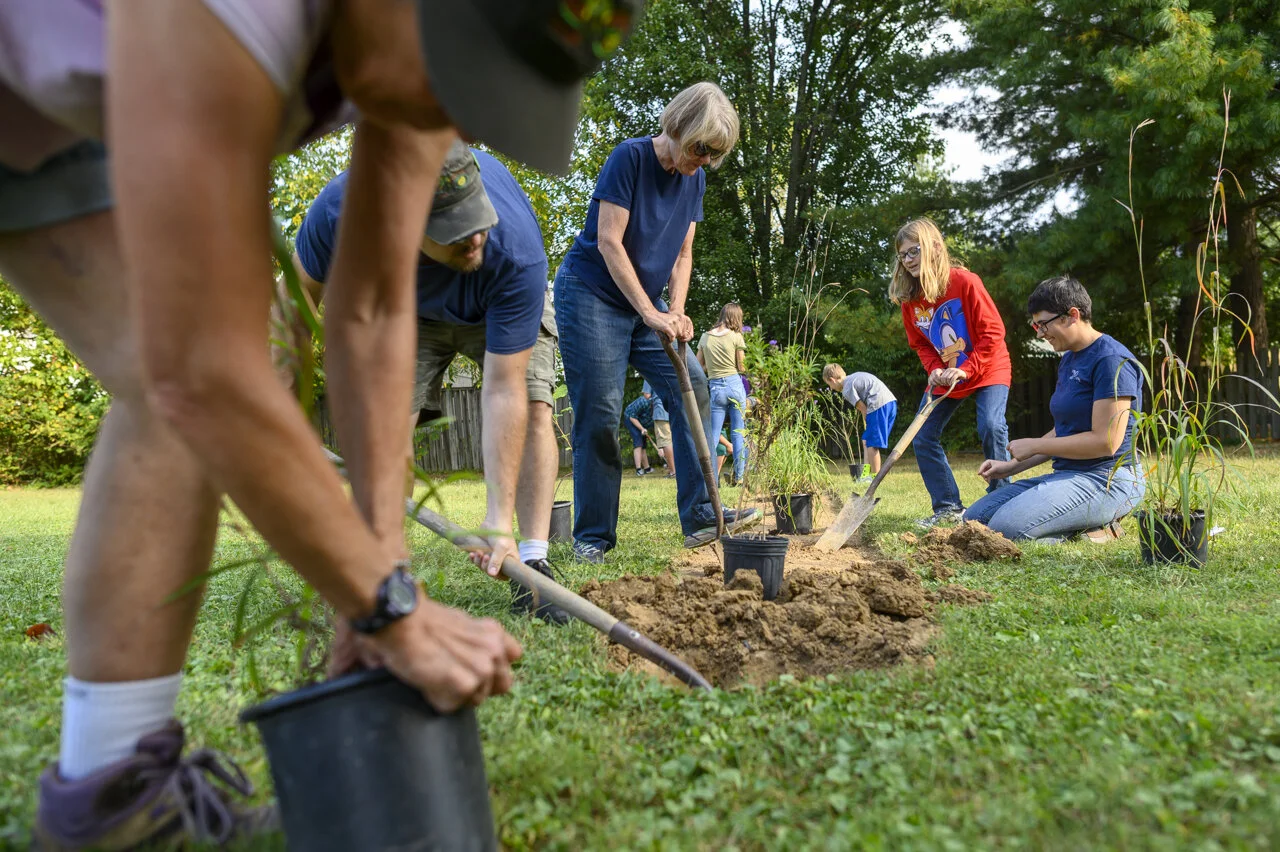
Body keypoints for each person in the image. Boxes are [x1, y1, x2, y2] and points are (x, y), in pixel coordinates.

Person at [0, 0, 634, 846]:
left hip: (70, 91)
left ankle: (112, 796)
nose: (460, 120)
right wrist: (389, 609)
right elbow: (205, 368)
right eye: (464, 75)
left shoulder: (416, 77)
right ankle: (112, 792)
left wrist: (380, 563)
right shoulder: (233, 14)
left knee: (172, 380)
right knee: (194, 364)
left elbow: (371, 311)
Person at [287, 141, 568, 625]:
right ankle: (382, 572)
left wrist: (497, 522)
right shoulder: (339, 215)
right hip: (409, 308)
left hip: (497, 297)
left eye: (476, 220)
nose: (474, 237)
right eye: (456, 232)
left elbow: (504, 389)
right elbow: (293, 307)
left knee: (535, 403)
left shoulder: (513, 250)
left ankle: (533, 562)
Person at [554, 81, 758, 561]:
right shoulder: (629, 158)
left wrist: (676, 311)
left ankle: (701, 514)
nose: (705, 160)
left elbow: (683, 253)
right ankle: (593, 538)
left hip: (645, 305)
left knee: (693, 386)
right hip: (591, 295)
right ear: (680, 126)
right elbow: (609, 241)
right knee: (601, 413)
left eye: (714, 154)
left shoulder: (695, 179)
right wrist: (651, 312)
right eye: (701, 148)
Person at [964, 276, 1145, 541]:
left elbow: (1106, 442)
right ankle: (1079, 525)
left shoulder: (1110, 360)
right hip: (1068, 475)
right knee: (974, 518)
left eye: (1043, 324)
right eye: (1035, 325)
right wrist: (1010, 467)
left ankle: (1097, 531)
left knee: (1004, 529)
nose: (1039, 333)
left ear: (1072, 315)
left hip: (1107, 479)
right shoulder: (1070, 359)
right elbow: (1064, 431)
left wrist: (1035, 445)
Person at [891, 218, 1013, 528]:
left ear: (934, 247)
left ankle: (1001, 501)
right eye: (903, 255)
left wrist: (966, 368)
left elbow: (993, 333)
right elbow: (921, 344)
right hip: (947, 374)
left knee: (991, 425)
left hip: (988, 366)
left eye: (914, 251)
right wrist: (935, 369)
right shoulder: (910, 300)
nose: (908, 260)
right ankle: (948, 507)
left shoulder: (965, 282)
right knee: (923, 436)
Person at [697, 302, 748, 485]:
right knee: (738, 432)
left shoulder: (705, 337)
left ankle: (709, 478)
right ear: (736, 317)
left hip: (716, 387)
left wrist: (712, 367)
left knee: (713, 434)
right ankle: (739, 477)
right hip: (735, 385)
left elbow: (699, 366)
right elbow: (742, 367)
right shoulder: (736, 336)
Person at [822, 365, 898, 479]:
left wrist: (868, 422)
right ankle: (866, 474)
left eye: (829, 385)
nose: (831, 388)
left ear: (832, 380)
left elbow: (863, 409)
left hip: (878, 405)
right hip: (890, 403)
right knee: (866, 440)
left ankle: (875, 478)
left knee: (872, 443)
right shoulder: (854, 377)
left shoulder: (847, 388)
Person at [623, 386, 655, 475]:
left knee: (643, 444)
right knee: (638, 442)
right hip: (630, 417)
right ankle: (638, 470)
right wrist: (642, 429)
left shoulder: (658, 412)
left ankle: (647, 468)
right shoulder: (643, 402)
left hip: (640, 421)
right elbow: (632, 417)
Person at [649, 382, 677, 477]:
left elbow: (647, 395)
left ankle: (673, 471)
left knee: (665, 441)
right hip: (673, 409)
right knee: (673, 440)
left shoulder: (650, 373)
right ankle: (676, 469)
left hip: (660, 412)